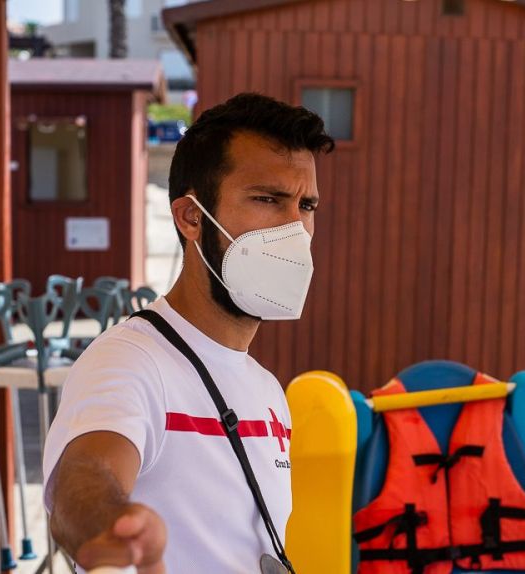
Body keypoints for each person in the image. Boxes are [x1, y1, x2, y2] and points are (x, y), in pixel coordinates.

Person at [43, 93, 335, 573]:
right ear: (191, 217)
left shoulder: (267, 392)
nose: (294, 228)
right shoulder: (130, 359)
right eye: (267, 199)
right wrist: (114, 529)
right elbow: (84, 476)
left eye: (307, 205)